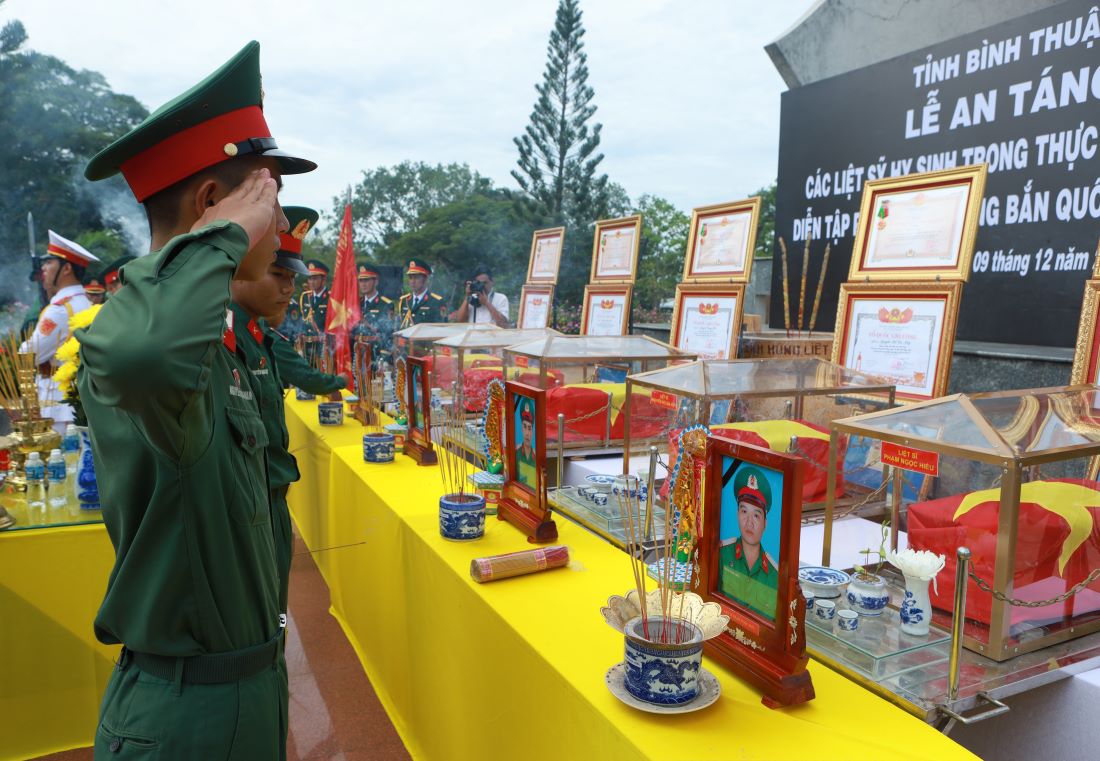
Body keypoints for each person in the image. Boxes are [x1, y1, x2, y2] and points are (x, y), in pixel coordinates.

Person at [77, 40, 315, 759]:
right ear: (214, 206)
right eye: (264, 205)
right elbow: (142, 354)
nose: (276, 235)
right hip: (186, 718)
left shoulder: (209, 340)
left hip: (243, 687)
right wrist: (218, 241)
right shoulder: (147, 335)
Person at [20, 230, 99, 433]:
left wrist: (23, 347)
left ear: (66, 269)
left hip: (55, 401)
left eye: (49, 263)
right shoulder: (83, 302)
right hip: (75, 397)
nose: (43, 268)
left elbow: (31, 354)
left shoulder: (60, 309)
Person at [718, 466, 778, 618]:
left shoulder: (774, 575)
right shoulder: (721, 554)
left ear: (765, 523)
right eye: (744, 512)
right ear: (737, 514)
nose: (749, 522)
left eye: (756, 516)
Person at [353, 263, 394, 363]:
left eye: (366, 280)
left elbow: (388, 335)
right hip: (357, 353)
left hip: (375, 355)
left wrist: (384, 360)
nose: (363, 284)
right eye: (361, 280)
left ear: (376, 282)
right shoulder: (357, 303)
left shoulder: (385, 304)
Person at [397, 258, 447, 327]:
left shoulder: (436, 301)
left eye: (416, 278)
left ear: (425, 279)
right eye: (410, 278)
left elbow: (442, 328)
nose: (413, 281)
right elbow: (399, 326)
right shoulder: (404, 301)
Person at [299, 259, 330, 333]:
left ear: (323, 279)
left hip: (323, 341)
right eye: (310, 279)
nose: (312, 282)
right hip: (306, 340)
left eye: (315, 279)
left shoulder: (331, 298)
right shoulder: (305, 296)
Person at [515, 400, 538, 490]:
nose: (527, 433)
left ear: (532, 431)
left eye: (529, 428)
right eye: (525, 427)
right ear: (521, 428)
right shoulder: (516, 453)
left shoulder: (536, 456)